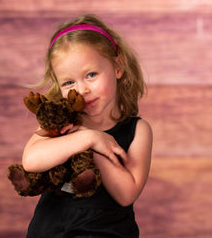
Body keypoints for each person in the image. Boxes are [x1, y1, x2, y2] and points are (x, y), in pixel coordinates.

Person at [22, 14, 153, 238]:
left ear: (117, 67)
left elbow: (126, 193)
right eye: (69, 82)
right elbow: (31, 161)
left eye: (91, 75)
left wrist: (95, 147)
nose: (81, 89)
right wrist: (87, 138)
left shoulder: (138, 130)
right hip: (53, 231)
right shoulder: (60, 122)